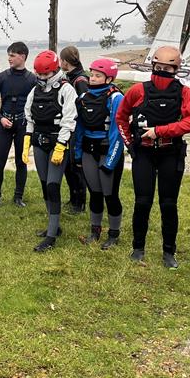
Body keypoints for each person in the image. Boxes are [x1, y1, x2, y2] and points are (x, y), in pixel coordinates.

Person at [116, 45, 190, 268]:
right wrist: (130, 145)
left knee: (168, 204)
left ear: (176, 69)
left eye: (167, 68)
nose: (162, 72)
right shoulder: (138, 90)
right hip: (143, 152)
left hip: (170, 153)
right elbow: (121, 117)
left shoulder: (184, 92)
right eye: (158, 67)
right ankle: (138, 247)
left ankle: (169, 252)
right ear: (152, 66)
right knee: (142, 202)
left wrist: (160, 131)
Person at [22, 50, 78, 252]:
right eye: (40, 75)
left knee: (54, 185)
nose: (43, 78)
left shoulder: (66, 89)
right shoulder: (34, 90)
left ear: (55, 70)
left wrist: (61, 146)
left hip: (57, 143)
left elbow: (69, 120)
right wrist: (27, 140)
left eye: (46, 75)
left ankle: (51, 237)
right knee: (45, 185)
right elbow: (29, 116)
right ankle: (53, 226)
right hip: (39, 141)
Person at [74, 58, 125, 249]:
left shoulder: (115, 98)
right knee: (94, 193)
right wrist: (78, 155)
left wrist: (111, 161)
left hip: (107, 151)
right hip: (88, 151)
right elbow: (79, 129)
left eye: (98, 75)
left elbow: (117, 131)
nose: (93, 78)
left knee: (110, 194)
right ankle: (95, 231)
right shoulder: (83, 98)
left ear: (109, 78)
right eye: (92, 74)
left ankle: (114, 234)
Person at [0, 42, 37, 210]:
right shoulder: (1, 77)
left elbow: (37, 104)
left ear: (22, 56)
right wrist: (0, 118)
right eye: (9, 55)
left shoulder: (32, 79)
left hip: (23, 124)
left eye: (12, 55)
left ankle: (18, 197)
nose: (9, 58)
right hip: (5, 124)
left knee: (21, 162)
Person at [60, 45, 88, 214]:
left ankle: (80, 203)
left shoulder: (80, 81)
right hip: (69, 127)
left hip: (78, 129)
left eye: (61, 59)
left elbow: (84, 107)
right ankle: (73, 198)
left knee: (76, 166)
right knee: (68, 167)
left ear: (65, 61)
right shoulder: (70, 77)